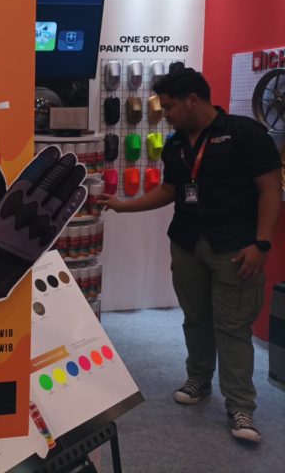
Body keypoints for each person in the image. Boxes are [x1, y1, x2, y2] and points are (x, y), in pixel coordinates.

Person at [102, 65, 282, 443]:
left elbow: (270, 191)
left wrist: (262, 244)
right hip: (186, 243)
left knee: (232, 327)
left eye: (168, 106)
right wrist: (121, 205)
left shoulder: (245, 134)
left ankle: (241, 407)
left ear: (193, 100)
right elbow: (169, 191)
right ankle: (199, 379)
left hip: (235, 247)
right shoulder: (175, 144)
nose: (164, 113)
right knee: (196, 319)